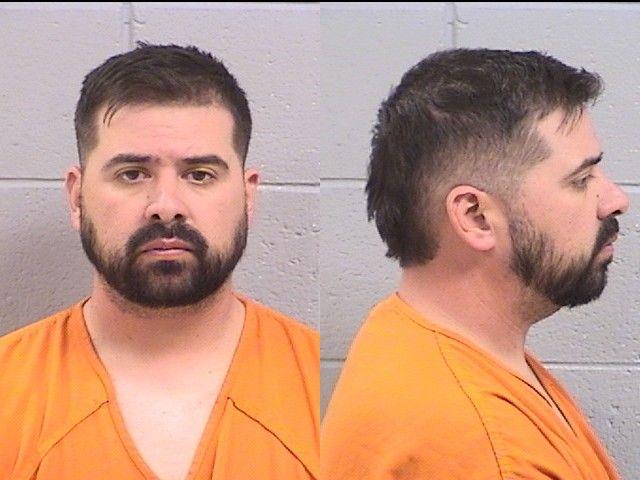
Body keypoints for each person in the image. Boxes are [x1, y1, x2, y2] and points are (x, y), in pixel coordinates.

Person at [0, 43, 319, 480]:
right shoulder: (8, 391)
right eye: (132, 174)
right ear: (77, 198)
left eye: (199, 175)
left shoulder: (323, 388)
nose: (166, 206)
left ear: (247, 197)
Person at [322, 49, 627, 480]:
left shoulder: (410, 331)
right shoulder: (485, 448)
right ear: (476, 217)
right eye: (581, 180)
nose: (616, 200)